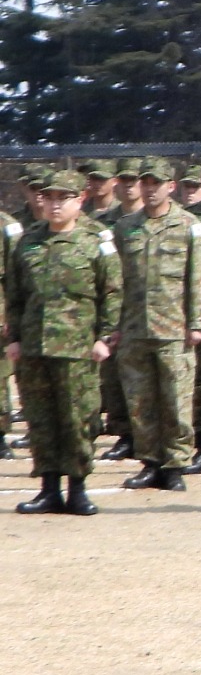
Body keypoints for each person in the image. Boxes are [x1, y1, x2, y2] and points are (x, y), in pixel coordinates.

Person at [5, 168, 120, 514]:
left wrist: (104, 337)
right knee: (41, 419)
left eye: (63, 198)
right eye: (49, 197)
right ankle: (48, 488)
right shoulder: (29, 239)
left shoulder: (97, 238)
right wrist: (15, 337)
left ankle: (78, 488)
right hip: (35, 346)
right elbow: (15, 294)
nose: (54, 204)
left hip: (77, 347)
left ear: (79, 200)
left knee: (77, 418)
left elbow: (112, 292)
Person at [108, 157, 201, 492]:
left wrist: (196, 323)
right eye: (145, 183)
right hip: (134, 327)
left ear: (171, 186)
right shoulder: (125, 227)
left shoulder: (189, 225)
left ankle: (176, 464)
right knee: (140, 401)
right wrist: (114, 324)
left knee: (177, 400)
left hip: (174, 327)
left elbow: (197, 277)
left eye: (157, 183)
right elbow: (115, 280)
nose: (150, 189)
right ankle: (149, 462)